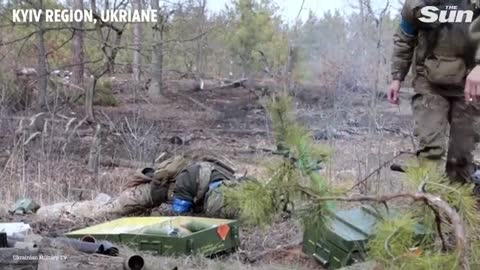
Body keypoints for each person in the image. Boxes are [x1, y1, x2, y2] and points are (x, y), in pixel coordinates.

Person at [388, 0, 480, 184]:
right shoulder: (417, 4)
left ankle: (457, 208)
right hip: (429, 81)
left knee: (461, 155)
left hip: (470, 82)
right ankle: (428, 205)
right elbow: (405, 37)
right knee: (430, 150)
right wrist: (397, 76)